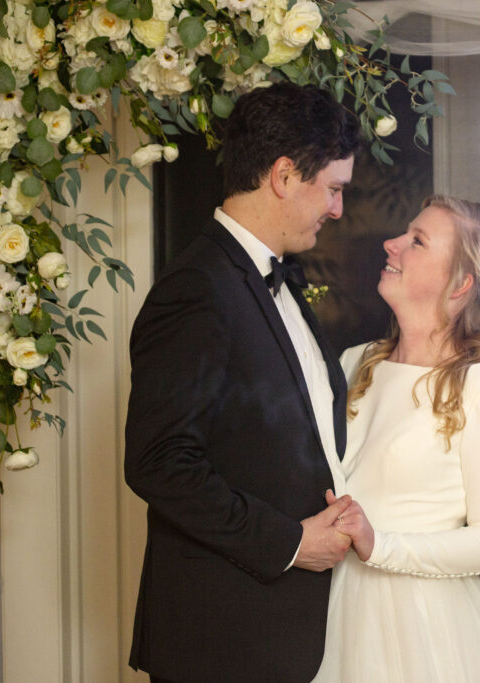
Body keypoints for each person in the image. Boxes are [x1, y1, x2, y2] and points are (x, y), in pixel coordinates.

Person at [123, 81, 361, 683]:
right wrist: (289, 542)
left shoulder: (270, 278)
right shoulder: (197, 288)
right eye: (332, 189)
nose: (337, 209)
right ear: (284, 175)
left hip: (282, 634)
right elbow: (158, 461)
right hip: (223, 640)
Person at [312, 196, 480, 682]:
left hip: (423, 631)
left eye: (417, 241)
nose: (390, 244)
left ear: (460, 284)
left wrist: (379, 544)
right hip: (325, 611)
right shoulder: (354, 362)